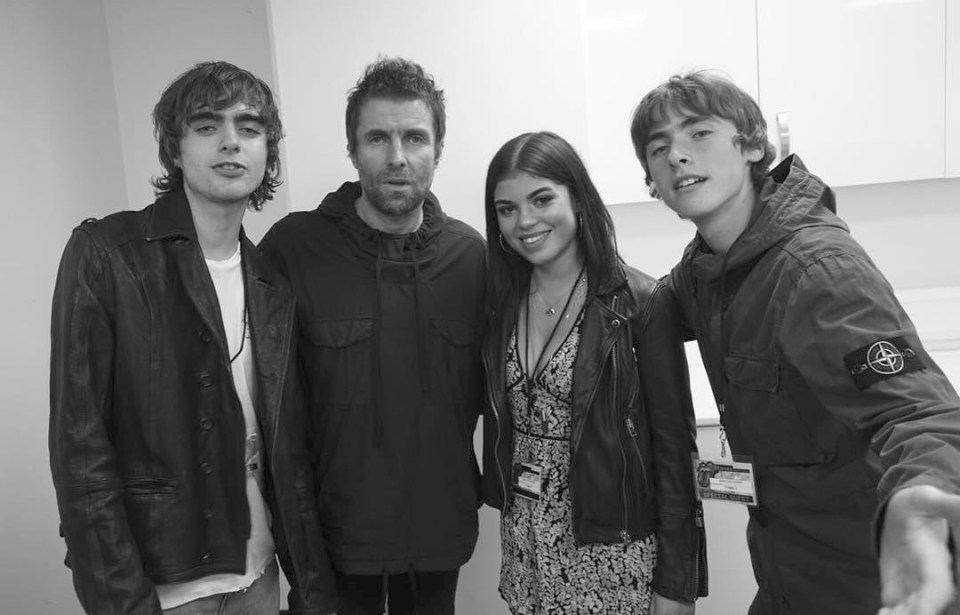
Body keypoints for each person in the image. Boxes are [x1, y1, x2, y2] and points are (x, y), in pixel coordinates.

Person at [629, 70, 960, 615]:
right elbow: (649, 306)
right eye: (659, 148)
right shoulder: (706, 269)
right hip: (786, 577)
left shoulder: (818, 272)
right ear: (650, 181)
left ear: (753, 144)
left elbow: (917, 415)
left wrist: (922, 508)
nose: (677, 156)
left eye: (698, 134)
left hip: (869, 584)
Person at [49, 61, 335, 614]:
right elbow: (80, 453)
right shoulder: (107, 254)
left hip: (260, 571)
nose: (231, 141)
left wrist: (311, 588)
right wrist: (120, 601)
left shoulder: (272, 280)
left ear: (267, 153)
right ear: (174, 149)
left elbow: (288, 453)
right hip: (163, 585)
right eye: (207, 126)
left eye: (249, 129)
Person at [259, 57, 485, 615]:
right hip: (330, 543)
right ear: (353, 149)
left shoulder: (472, 257)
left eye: (415, 137)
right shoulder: (293, 250)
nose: (398, 157)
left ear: (438, 149)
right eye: (378, 138)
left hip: (438, 536)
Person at [480, 131, 707, 614]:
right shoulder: (499, 305)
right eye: (507, 208)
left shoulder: (642, 304)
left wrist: (677, 586)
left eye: (542, 199)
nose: (525, 221)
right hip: (527, 551)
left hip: (613, 557)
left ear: (579, 200)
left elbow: (673, 452)